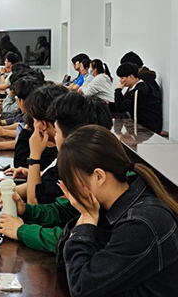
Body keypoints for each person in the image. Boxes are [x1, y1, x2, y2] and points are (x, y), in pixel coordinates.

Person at [56, 126, 178, 297]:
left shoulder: (141, 223)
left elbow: (81, 288)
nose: (69, 190)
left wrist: (86, 222)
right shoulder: (112, 206)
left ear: (98, 177)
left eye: (71, 181)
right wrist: (85, 217)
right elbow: (64, 263)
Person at [0, 93, 113, 254]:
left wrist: (22, 230)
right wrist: (26, 211)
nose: (55, 137)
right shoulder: (89, 164)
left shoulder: (93, 175)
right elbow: (64, 210)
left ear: (75, 137)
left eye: (56, 131)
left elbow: (74, 240)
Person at [115, 62, 163, 134]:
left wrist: (118, 90)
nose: (120, 81)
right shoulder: (137, 87)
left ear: (131, 76)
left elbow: (121, 107)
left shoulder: (139, 91)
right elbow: (122, 104)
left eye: (122, 78)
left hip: (147, 129)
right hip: (143, 127)